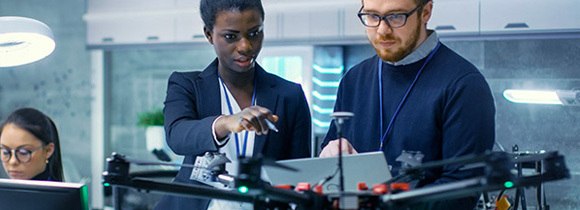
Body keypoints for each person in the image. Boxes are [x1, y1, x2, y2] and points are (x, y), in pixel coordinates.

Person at [320, 0, 495, 208]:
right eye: (373, 16)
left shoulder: (463, 85)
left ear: (426, 12)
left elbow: (461, 192)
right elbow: (328, 170)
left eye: (396, 16)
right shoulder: (353, 80)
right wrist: (329, 155)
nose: (382, 30)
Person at [155, 0, 311, 209]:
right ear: (209, 34)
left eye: (254, 33)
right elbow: (177, 136)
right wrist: (226, 123)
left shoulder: (289, 95)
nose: (245, 46)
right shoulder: (187, 85)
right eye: (231, 36)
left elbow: (300, 176)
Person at [0, 107, 64, 181]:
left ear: (48, 150)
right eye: (5, 152)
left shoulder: (54, 192)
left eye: (23, 153)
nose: (13, 161)